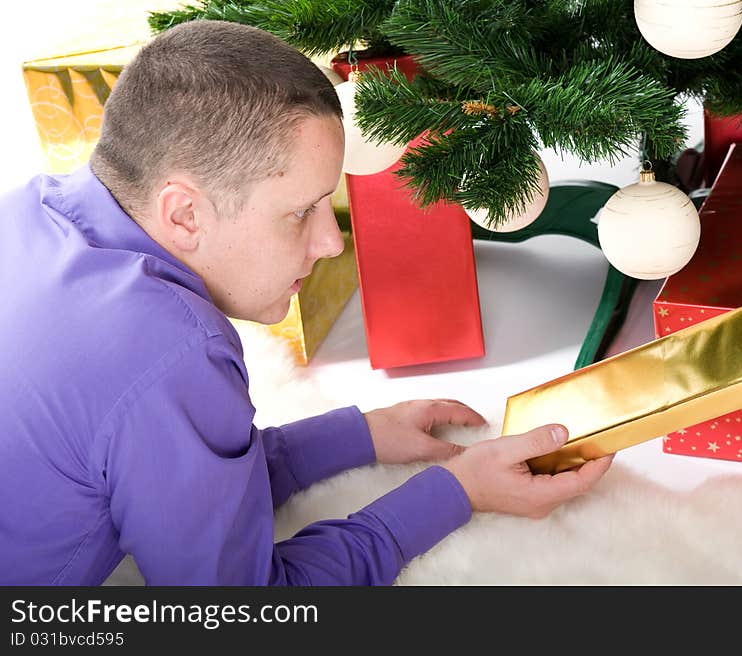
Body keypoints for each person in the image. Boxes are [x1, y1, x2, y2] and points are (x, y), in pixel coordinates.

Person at [0, 20, 612, 586]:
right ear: (184, 213)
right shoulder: (171, 347)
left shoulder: (25, 210)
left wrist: (357, 436)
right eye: (299, 213)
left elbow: (165, 474)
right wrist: (454, 491)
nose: (329, 243)